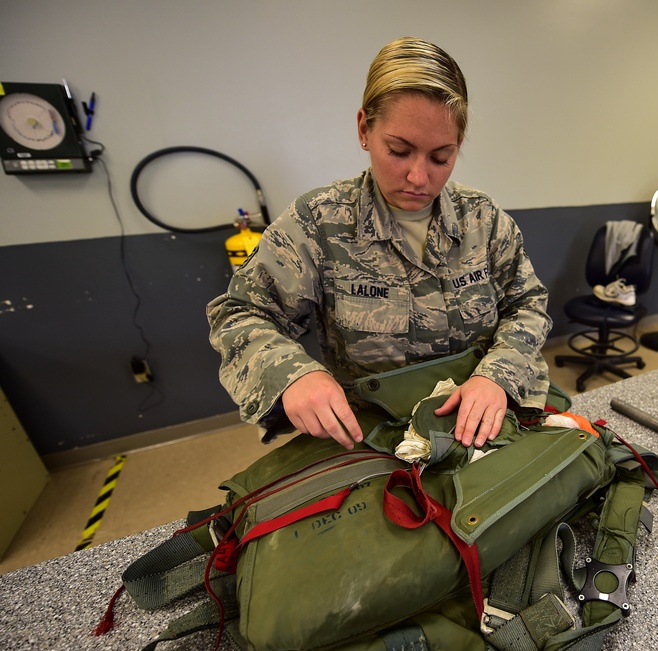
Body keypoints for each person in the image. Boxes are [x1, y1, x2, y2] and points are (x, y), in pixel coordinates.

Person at [207, 36, 552, 451]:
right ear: (364, 130)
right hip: (373, 440)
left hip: (479, 427)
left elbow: (527, 304)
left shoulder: (484, 219)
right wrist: (293, 374)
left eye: (441, 157)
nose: (418, 178)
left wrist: (497, 375)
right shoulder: (318, 222)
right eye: (399, 151)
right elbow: (240, 314)